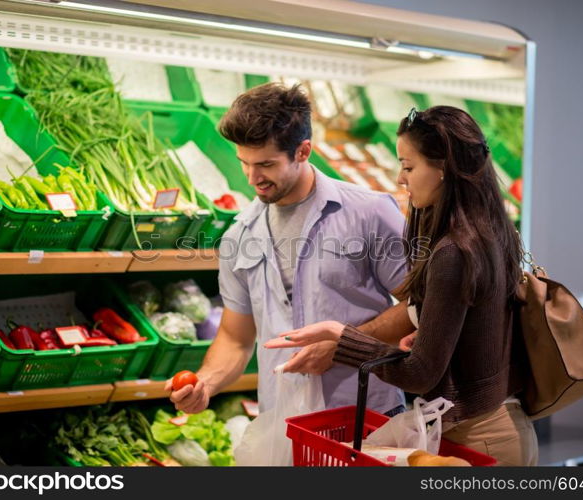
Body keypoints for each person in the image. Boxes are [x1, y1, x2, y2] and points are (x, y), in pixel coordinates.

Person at [265, 106, 538, 466]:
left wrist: (341, 337)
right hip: (499, 424)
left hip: (480, 439)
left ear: (443, 169)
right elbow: (477, 328)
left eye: (408, 167)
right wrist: (428, 332)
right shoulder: (491, 232)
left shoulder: (453, 252)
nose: (400, 179)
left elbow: (420, 375)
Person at [166, 82, 408, 416]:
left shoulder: (369, 212)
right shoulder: (239, 235)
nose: (252, 178)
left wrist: (344, 345)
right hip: (285, 419)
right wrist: (205, 383)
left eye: (265, 164)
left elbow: (419, 306)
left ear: (303, 151)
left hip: (365, 414)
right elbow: (236, 339)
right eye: (244, 163)